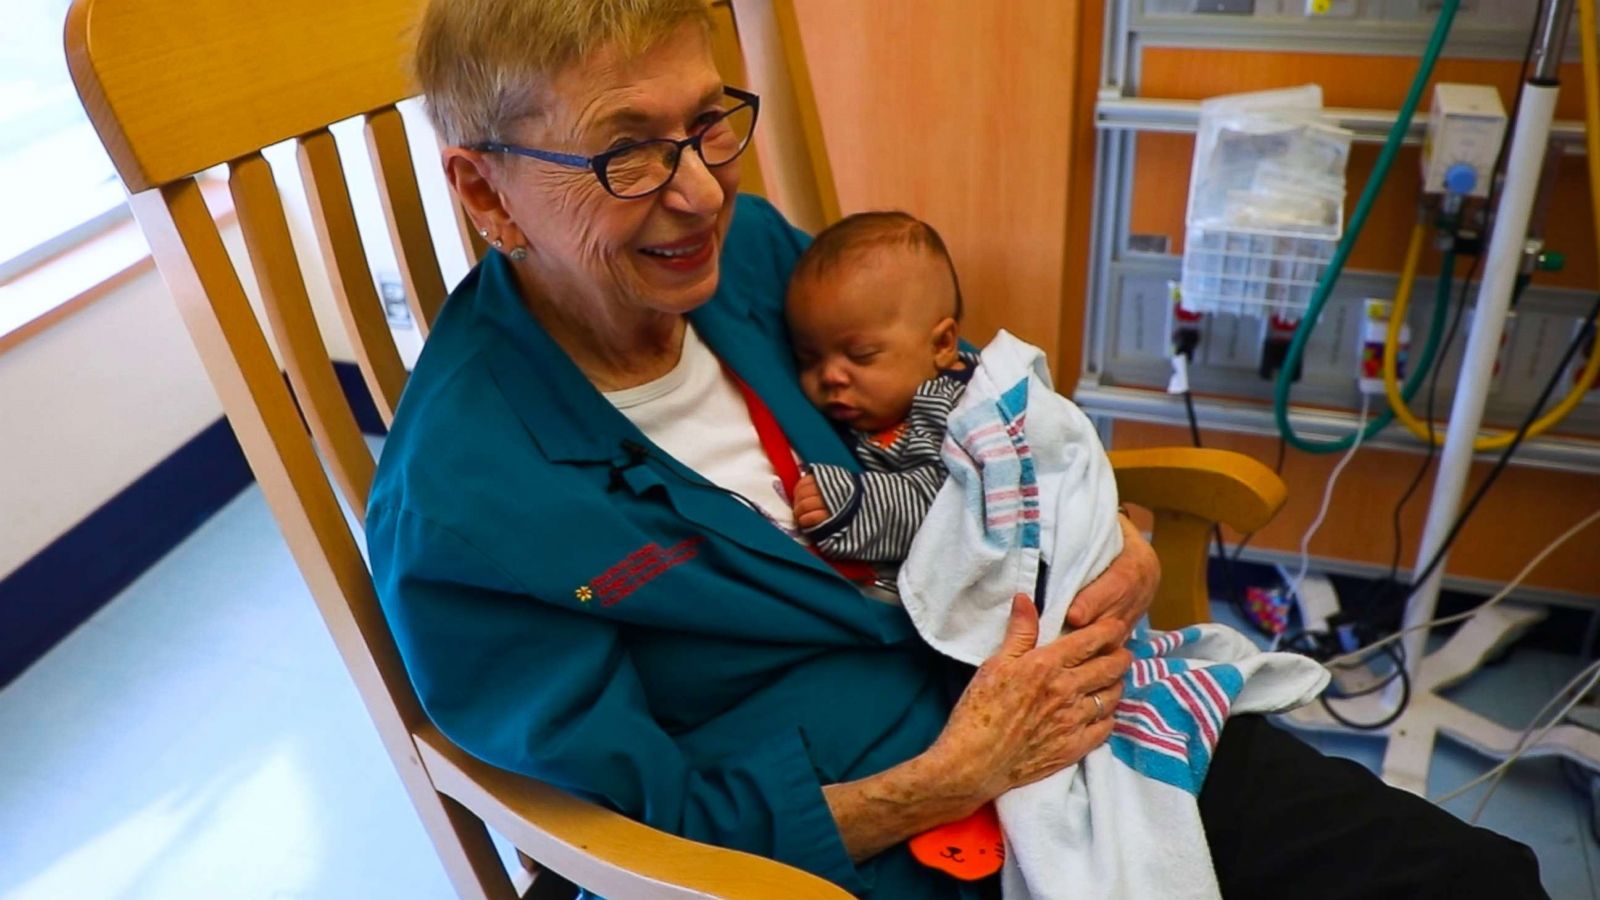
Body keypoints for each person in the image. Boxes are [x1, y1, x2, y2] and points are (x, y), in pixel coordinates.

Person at [366, 1, 1547, 897]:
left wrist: (1110, 540)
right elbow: (634, 828)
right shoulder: (468, 511)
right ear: (486, 194)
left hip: (1073, 721)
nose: (699, 195)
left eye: (707, 125)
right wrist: (952, 774)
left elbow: (970, 410)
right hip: (862, 844)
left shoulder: (757, 264)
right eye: (627, 150)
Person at [785, 211, 976, 592]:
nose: (830, 376)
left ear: (941, 345)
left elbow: (949, 510)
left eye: (861, 355)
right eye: (810, 359)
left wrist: (851, 503)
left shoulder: (956, 406)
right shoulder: (882, 407)